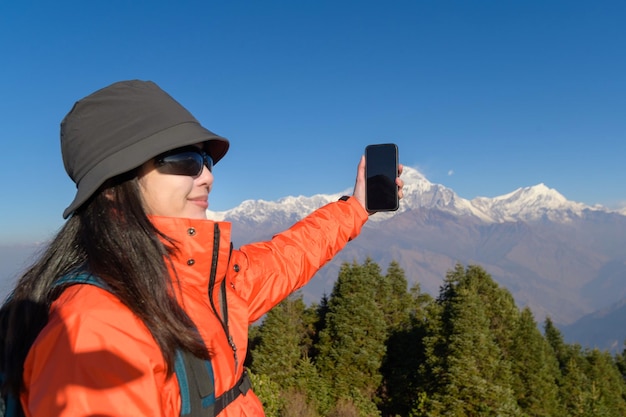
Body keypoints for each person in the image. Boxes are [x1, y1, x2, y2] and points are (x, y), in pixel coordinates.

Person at [0, 80, 404, 416]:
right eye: (182, 159)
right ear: (111, 188)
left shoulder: (200, 280)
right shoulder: (95, 337)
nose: (207, 177)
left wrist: (357, 207)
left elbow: (285, 258)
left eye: (206, 160)